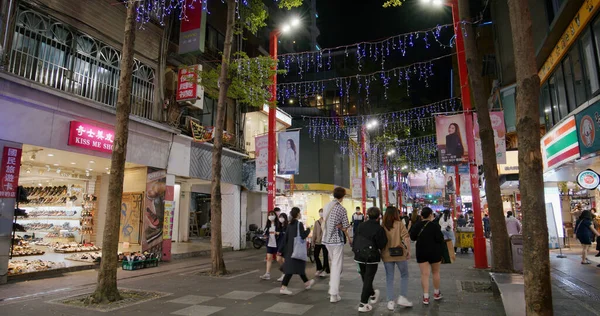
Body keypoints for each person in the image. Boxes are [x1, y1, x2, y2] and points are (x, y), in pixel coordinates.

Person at [353, 207, 388, 312]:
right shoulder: (379, 228)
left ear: (367, 215)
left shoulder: (361, 225)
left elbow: (355, 238)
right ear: (379, 216)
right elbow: (382, 244)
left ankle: (372, 294)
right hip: (371, 256)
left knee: (365, 277)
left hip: (358, 255)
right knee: (368, 278)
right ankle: (363, 303)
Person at [322, 187, 351, 303]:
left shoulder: (326, 206)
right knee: (336, 266)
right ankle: (333, 293)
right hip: (337, 240)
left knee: (334, 264)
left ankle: (333, 288)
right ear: (342, 196)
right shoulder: (341, 209)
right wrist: (340, 226)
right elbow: (345, 226)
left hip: (326, 239)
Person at [410, 207, 444, 305]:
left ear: (421, 215)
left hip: (421, 251)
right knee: (436, 272)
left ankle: (425, 297)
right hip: (435, 252)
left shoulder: (417, 225)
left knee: (424, 274)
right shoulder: (435, 226)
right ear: (430, 215)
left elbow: (412, 237)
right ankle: (436, 293)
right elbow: (440, 239)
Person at [381, 206, 413, 311]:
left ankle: (390, 301)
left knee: (389, 277)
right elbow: (406, 238)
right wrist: (408, 251)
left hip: (386, 254)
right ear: (396, 214)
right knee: (404, 275)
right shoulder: (399, 224)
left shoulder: (383, 225)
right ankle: (402, 297)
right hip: (400, 254)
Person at [278, 207, 315, 294]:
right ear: (298, 214)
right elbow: (302, 235)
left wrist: (281, 250)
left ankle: (307, 283)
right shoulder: (299, 224)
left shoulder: (290, 224)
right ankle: (283, 288)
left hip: (290, 250)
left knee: (299, 268)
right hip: (297, 251)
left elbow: (285, 238)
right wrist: (309, 230)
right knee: (290, 270)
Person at [260, 211, 283, 280]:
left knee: (279, 259)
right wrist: (265, 236)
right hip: (270, 244)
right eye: (269, 215)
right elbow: (265, 233)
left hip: (277, 244)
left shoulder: (278, 224)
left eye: (272, 214)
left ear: (275, 216)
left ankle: (284, 272)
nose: (271, 216)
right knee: (269, 258)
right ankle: (267, 274)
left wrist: (278, 233)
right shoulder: (268, 225)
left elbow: (282, 233)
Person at [312, 208, 330, 277]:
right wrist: (313, 241)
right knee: (316, 255)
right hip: (318, 241)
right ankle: (319, 268)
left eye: (322, 212)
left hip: (325, 241)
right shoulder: (317, 222)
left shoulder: (327, 221)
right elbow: (314, 232)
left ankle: (325, 270)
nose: (321, 213)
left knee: (325, 256)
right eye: (320, 212)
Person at [276, 213, 289, 280]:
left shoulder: (287, 226)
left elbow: (286, 236)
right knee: (278, 259)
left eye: (282, 217)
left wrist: (280, 233)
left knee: (284, 260)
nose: (281, 218)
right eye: (280, 217)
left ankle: (284, 274)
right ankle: (284, 272)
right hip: (279, 245)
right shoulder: (279, 226)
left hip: (286, 246)